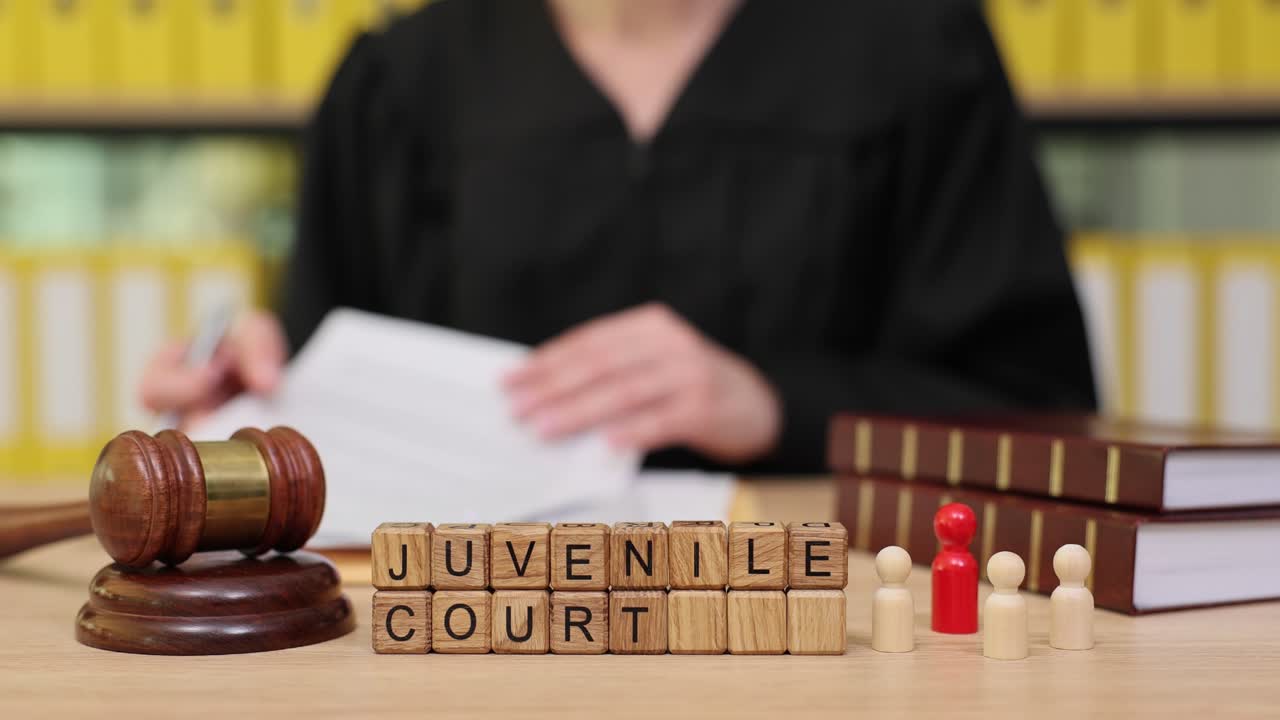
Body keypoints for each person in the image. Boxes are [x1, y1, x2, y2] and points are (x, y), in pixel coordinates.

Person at [140, 0, 1096, 473]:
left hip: (833, 628)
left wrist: (777, 405)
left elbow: (1039, 411)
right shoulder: (404, 82)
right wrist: (244, 415)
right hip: (468, 644)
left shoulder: (915, 54)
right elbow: (337, 406)